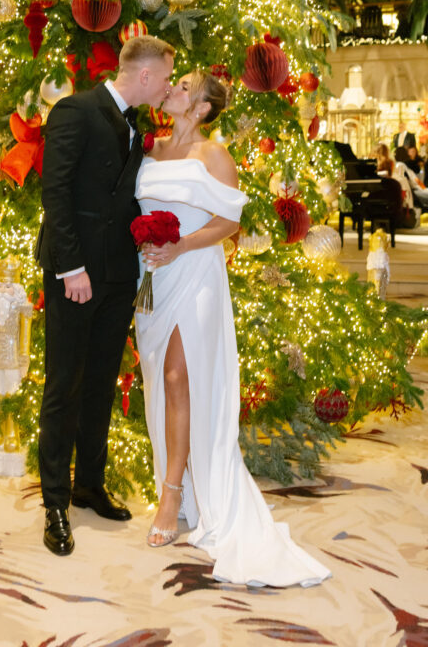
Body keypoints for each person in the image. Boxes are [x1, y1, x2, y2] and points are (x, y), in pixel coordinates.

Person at [135, 70, 331, 587]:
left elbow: (230, 224)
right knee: (160, 380)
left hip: (194, 272)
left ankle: (172, 495)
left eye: (182, 88)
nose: (172, 90)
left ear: (200, 109)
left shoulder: (214, 155)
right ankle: (176, 479)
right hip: (150, 278)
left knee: (180, 377)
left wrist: (180, 246)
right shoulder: (149, 149)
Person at [36, 35, 175, 556]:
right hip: (75, 272)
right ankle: (54, 502)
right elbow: (56, 192)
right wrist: (71, 267)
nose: (165, 88)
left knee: (99, 384)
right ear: (143, 76)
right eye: (163, 78)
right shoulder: (76, 110)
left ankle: (88, 484)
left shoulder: (136, 126)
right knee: (64, 385)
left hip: (119, 273)